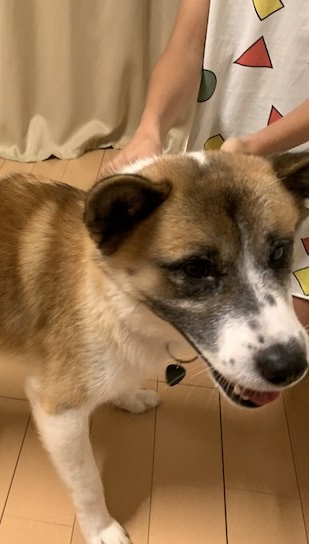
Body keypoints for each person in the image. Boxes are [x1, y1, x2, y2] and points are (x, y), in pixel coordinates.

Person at [101, 0, 309, 322]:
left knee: (279, 320)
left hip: (296, 169)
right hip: (220, 152)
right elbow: (186, 45)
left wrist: (254, 147)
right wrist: (149, 127)